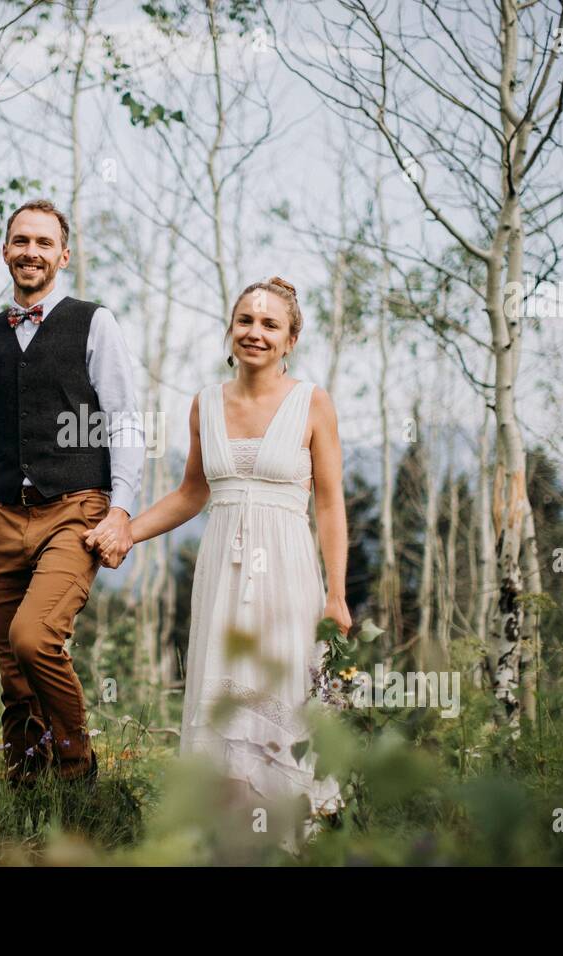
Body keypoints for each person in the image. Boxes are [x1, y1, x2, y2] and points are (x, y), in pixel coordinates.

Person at [91, 276, 350, 839]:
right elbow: (192, 492)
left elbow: (330, 502)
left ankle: (294, 835)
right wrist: (126, 533)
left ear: (290, 339)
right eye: (246, 321)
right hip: (224, 577)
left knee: (284, 694)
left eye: (270, 325)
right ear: (231, 330)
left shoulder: (313, 403)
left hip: (288, 574)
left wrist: (336, 592)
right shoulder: (206, 403)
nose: (255, 333)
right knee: (226, 696)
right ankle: (229, 835)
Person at [0, 199, 142, 788]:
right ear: (5, 252)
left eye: (44, 243)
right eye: (21, 241)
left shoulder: (93, 323)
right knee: (12, 672)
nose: (31, 251)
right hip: (4, 517)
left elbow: (125, 422)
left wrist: (120, 510)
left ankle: (78, 774)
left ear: (63, 255)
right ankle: (25, 795)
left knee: (35, 636)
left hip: (77, 511)